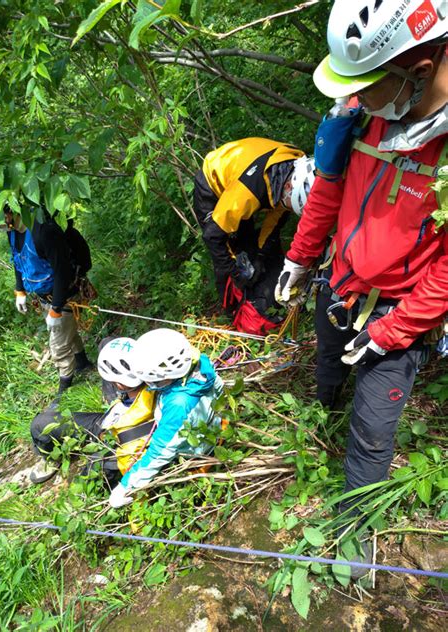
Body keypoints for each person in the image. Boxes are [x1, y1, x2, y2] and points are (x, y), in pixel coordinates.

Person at [275, 0, 447, 571]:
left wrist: (395, 330)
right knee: (329, 360)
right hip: (340, 284)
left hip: (402, 309)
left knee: (374, 431)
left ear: (417, 72)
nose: (355, 97)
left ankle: (354, 533)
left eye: (367, 86)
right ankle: (322, 412)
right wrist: (300, 259)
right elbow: (327, 187)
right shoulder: (363, 116)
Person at [108, 328, 224, 509]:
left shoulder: (178, 405)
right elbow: (220, 389)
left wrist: (125, 487)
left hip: (195, 449)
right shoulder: (198, 361)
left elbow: (160, 452)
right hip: (211, 425)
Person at [194, 138, 316, 306]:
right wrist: (235, 273)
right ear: (288, 187)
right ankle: (231, 311)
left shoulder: (297, 166)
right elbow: (213, 237)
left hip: (246, 173)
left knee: (248, 241)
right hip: (213, 180)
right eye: (291, 205)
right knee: (223, 255)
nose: (288, 209)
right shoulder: (247, 194)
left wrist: (260, 256)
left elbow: (273, 224)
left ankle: (258, 295)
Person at [29, 337, 156, 487]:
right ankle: (52, 457)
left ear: (119, 384)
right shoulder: (156, 378)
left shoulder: (134, 438)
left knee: (85, 482)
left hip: (120, 438)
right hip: (115, 413)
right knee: (40, 425)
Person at [3, 206, 94, 394]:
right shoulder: (12, 231)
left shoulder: (44, 232)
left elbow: (63, 272)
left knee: (58, 346)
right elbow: (18, 261)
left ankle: (65, 389)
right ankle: (83, 363)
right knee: (69, 332)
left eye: (1, 217)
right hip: (45, 295)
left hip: (65, 295)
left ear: (12, 211)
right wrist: (20, 290)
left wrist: (56, 308)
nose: (0, 223)